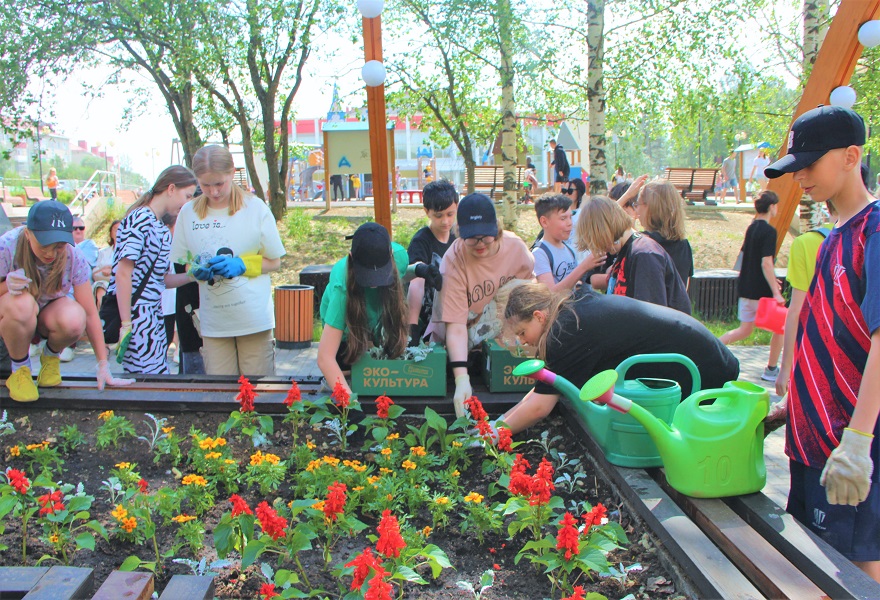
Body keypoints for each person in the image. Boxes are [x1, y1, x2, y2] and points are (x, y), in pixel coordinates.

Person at [764, 105, 880, 582]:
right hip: (812, 438)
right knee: (820, 563)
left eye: (809, 165)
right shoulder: (834, 236)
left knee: (855, 567)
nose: (801, 177)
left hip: (845, 443)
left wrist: (858, 440)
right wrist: (795, 401)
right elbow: (825, 332)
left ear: (851, 156)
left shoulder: (873, 231)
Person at [498, 282, 739, 434]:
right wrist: (500, 421)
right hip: (707, 351)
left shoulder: (565, 333)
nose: (522, 341)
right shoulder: (570, 310)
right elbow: (547, 386)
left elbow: (540, 407)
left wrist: (492, 436)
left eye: (522, 332)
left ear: (539, 316)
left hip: (705, 368)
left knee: (687, 437)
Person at [170, 145, 286, 376]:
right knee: (221, 396)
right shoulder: (188, 213)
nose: (213, 192)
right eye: (205, 185)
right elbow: (184, 263)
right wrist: (195, 272)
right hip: (214, 324)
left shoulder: (255, 208)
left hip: (253, 321)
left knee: (257, 394)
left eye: (219, 183)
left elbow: (274, 262)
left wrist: (243, 265)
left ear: (232, 173)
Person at [0, 201, 132, 402]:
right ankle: (20, 370)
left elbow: (89, 312)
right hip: (13, 316)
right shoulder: (7, 246)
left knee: (74, 317)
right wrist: (5, 286)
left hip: (48, 315)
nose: (51, 254)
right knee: (23, 305)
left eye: (59, 246)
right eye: (44, 245)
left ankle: (51, 359)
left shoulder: (73, 255)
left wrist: (103, 364)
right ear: (28, 233)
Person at [431, 193, 535, 416]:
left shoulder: (517, 249)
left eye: (486, 237)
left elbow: (531, 297)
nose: (479, 244)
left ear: (496, 230)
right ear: (460, 234)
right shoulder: (454, 260)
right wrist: (461, 379)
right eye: (471, 238)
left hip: (502, 336)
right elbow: (456, 326)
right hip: (463, 338)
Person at [108, 167, 199, 374]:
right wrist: (126, 324)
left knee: (156, 378)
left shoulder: (159, 227)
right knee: (148, 381)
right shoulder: (140, 218)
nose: (187, 204)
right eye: (186, 196)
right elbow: (123, 273)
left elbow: (162, 280)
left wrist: (192, 275)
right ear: (171, 188)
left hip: (153, 316)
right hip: (137, 317)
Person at [318, 222, 410, 396]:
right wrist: (350, 404)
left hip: (376, 328)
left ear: (390, 255)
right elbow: (325, 358)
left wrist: (418, 270)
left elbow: (404, 271)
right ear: (351, 258)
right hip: (346, 336)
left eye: (380, 273)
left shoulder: (399, 256)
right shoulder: (342, 288)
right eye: (368, 275)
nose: (374, 283)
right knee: (348, 374)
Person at [576, 195, 691, 314]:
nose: (600, 248)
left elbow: (651, 319)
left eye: (598, 241)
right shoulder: (624, 252)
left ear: (606, 230)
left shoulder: (644, 255)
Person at [719, 190, 784, 381]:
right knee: (781, 328)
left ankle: (713, 346)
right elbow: (766, 262)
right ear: (772, 207)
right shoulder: (769, 231)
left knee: (745, 330)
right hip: (761, 294)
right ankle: (771, 369)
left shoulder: (752, 228)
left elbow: (745, 259)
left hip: (746, 289)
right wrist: (776, 291)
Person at [407, 180, 457, 344]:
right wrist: (412, 327)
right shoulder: (421, 242)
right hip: (429, 321)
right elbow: (416, 283)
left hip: (456, 314)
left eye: (450, 214)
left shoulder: (459, 239)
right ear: (427, 211)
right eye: (439, 215)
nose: (445, 221)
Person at [532, 193, 602, 293]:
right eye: (563, 218)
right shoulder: (539, 253)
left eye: (570, 217)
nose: (570, 223)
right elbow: (550, 294)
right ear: (544, 222)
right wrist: (584, 267)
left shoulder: (568, 248)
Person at [633, 181, 694, 289]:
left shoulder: (639, 243)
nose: (636, 209)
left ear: (650, 208)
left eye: (637, 204)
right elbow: (685, 289)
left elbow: (606, 224)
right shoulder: (684, 247)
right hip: (674, 306)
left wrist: (627, 195)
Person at [93, 220, 120, 311]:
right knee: (100, 286)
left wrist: (112, 270)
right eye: (116, 230)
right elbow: (95, 274)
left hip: (122, 283)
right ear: (111, 234)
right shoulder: (103, 252)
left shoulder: (130, 252)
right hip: (104, 283)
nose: (119, 232)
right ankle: (101, 315)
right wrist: (104, 269)